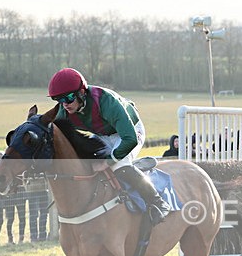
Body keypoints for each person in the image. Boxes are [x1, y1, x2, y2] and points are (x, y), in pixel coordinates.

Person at [48, 68, 170, 225]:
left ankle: (157, 202)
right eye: (59, 100)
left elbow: (130, 139)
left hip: (129, 131)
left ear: (81, 92)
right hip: (101, 135)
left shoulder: (106, 101)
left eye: (69, 98)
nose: (65, 104)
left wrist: (108, 161)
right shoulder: (64, 111)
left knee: (119, 165)